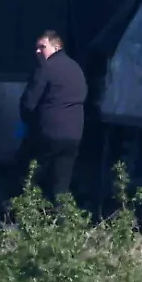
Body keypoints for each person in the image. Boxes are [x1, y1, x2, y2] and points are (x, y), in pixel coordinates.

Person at [19, 30, 88, 202]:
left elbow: (28, 103)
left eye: (42, 47)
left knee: (28, 176)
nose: (37, 51)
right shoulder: (76, 68)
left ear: (57, 47)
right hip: (74, 136)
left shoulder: (45, 68)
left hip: (47, 134)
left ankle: (27, 212)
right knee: (61, 185)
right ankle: (62, 216)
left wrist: (26, 127)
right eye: (36, 48)